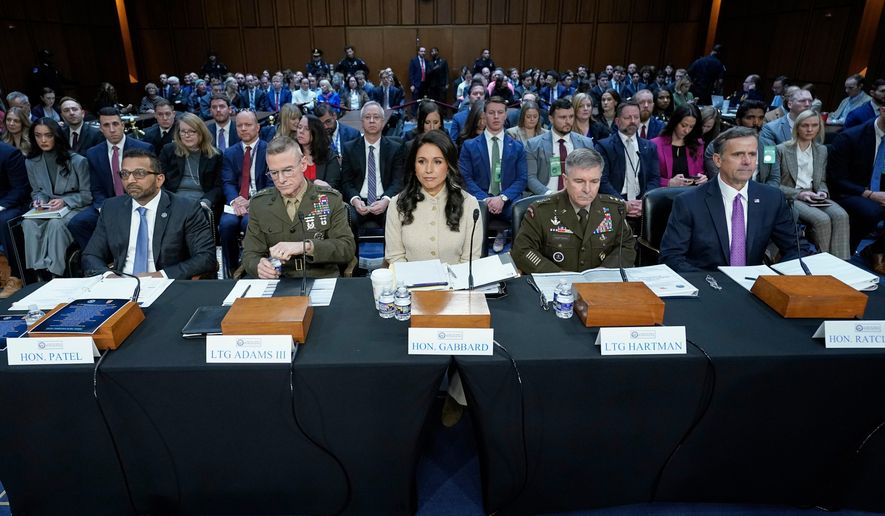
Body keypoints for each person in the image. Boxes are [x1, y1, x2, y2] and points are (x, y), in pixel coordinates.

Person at [659, 127, 798, 271]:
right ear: (718, 160)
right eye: (738, 154)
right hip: (709, 285)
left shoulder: (771, 198)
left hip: (755, 285)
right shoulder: (689, 202)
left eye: (752, 154)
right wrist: (711, 283)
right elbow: (671, 257)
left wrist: (773, 278)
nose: (747, 161)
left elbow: (796, 248)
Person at [82, 148, 216, 279]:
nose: (130, 180)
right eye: (125, 174)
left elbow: (205, 257)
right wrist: (109, 276)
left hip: (166, 286)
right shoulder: (111, 208)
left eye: (139, 173)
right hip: (121, 285)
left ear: (159, 179)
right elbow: (91, 256)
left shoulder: (186, 209)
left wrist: (161, 276)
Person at [242, 136, 355, 279]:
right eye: (274, 173)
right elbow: (250, 254)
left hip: (321, 278)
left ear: (303, 164)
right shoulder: (260, 204)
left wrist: (306, 246)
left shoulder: (329, 200)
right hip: (278, 281)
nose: (281, 180)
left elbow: (346, 248)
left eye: (288, 170)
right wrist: (258, 265)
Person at [513, 147, 635, 273]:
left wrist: (604, 271)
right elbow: (522, 251)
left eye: (594, 181)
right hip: (555, 286)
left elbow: (627, 246)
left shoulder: (614, 209)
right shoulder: (541, 211)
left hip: (601, 285)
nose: (587, 189)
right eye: (579, 181)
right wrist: (557, 274)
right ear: (565, 181)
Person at [758, 109, 849, 259]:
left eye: (814, 125)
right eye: (805, 125)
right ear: (797, 127)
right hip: (792, 195)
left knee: (841, 215)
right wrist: (800, 194)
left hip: (814, 194)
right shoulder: (781, 149)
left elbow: (822, 181)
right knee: (822, 220)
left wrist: (822, 192)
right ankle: (824, 261)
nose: (809, 129)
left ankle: (841, 261)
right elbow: (774, 184)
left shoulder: (822, 150)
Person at [385, 129, 482, 264]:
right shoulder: (397, 204)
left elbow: (470, 260)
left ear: (448, 166)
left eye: (437, 162)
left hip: (457, 284)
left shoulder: (469, 203)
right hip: (411, 282)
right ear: (414, 166)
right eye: (421, 161)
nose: (428, 170)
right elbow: (395, 257)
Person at [68, 107, 155, 251]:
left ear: (122, 125)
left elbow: (149, 184)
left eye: (115, 124)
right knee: (77, 223)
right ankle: (98, 260)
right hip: (108, 203)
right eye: (106, 125)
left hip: (137, 201)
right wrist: (104, 208)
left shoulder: (143, 148)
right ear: (101, 129)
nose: (112, 129)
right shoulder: (93, 153)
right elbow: (96, 187)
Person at [23, 118, 92, 278]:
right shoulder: (31, 161)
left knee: (55, 224)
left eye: (48, 135)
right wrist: (39, 200)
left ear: (57, 136)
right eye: (38, 136)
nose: (43, 140)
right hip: (49, 209)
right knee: (28, 223)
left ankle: (57, 272)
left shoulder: (78, 161)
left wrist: (65, 201)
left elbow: (87, 195)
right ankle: (39, 272)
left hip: (75, 208)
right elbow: (37, 191)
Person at [827, 103, 885, 260]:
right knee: (873, 211)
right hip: (849, 190)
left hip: (879, 190)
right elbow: (836, 179)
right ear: (883, 110)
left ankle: (875, 249)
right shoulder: (850, 137)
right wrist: (870, 194)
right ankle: (846, 253)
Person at [458, 96, 527, 222]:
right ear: (484, 115)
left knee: (522, 213)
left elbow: (521, 179)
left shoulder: (518, 147)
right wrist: (486, 200)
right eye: (491, 112)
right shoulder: (469, 146)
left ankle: (506, 241)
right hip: (479, 200)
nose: (496, 116)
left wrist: (502, 198)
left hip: (508, 201)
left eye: (500, 112)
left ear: (505, 115)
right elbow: (465, 178)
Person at [219, 110, 271, 275]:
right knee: (227, 225)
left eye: (247, 125)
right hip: (236, 203)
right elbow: (227, 182)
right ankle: (232, 268)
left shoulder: (269, 150)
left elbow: (272, 184)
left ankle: (254, 267)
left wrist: (251, 202)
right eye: (239, 125)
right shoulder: (230, 152)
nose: (243, 129)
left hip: (260, 201)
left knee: (248, 223)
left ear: (257, 127)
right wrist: (235, 201)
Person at [340, 102, 405, 227]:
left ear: (383, 121)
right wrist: (355, 200)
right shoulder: (349, 148)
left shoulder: (395, 148)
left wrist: (386, 200)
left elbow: (398, 181)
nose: (371, 121)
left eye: (376, 117)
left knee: (393, 217)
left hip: (385, 200)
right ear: (361, 121)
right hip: (359, 201)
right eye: (367, 117)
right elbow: (346, 182)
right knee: (348, 218)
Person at [595, 101, 660, 221]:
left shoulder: (650, 147)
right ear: (617, 121)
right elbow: (602, 181)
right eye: (627, 117)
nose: (633, 121)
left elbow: (654, 178)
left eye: (636, 117)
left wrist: (644, 202)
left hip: (642, 203)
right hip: (613, 204)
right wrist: (622, 204)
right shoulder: (604, 146)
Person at [525, 98, 595, 196]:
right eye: (562, 117)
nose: (568, 121)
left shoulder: (586, 143)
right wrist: (550, 194)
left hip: (578, 197)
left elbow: (593, 174)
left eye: (571, 117)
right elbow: (530, 177)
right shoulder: (534, 145)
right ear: (551, 119)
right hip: (546, 197)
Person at [158, 112, 222, 210]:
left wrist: (207, 201)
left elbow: (218, 187)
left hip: (201, 202)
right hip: (173, 200)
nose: (187, 135)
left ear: (201, 133)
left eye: (192, 131)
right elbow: (158, 179)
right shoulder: (168, 150)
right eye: (183, 131)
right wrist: (166, 199)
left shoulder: (215, 155)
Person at [0, 142, 32, 297]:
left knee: (4, 221)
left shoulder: (9, 153)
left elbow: (20, 189)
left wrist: (1, 206)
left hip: (13, 205)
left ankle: (16, 276)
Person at [704, 100, 766, 177]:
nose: (756, 122)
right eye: (750, 118)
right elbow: (718, 179)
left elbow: (773, 177)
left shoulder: (768, 145)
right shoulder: (717, 145)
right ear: (738, 121)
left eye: (760, 118)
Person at [651, 104, 708, 187]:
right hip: (664, 195)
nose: (687, 130)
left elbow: (700, 171)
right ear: (675, 122)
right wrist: (668, 183)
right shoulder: (655, 144)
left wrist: (702, 178)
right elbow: (648, 177)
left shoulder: (698, 144)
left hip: (690, 194)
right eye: (683, 125)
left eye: (691, 127)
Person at [296, 115, 341, 190]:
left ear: (316, 132)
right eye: (299, 127)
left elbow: (333, 186)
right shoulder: (290, 154)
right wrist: (315, 183)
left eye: (307, 129)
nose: (301, 131)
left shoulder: (329, 155)